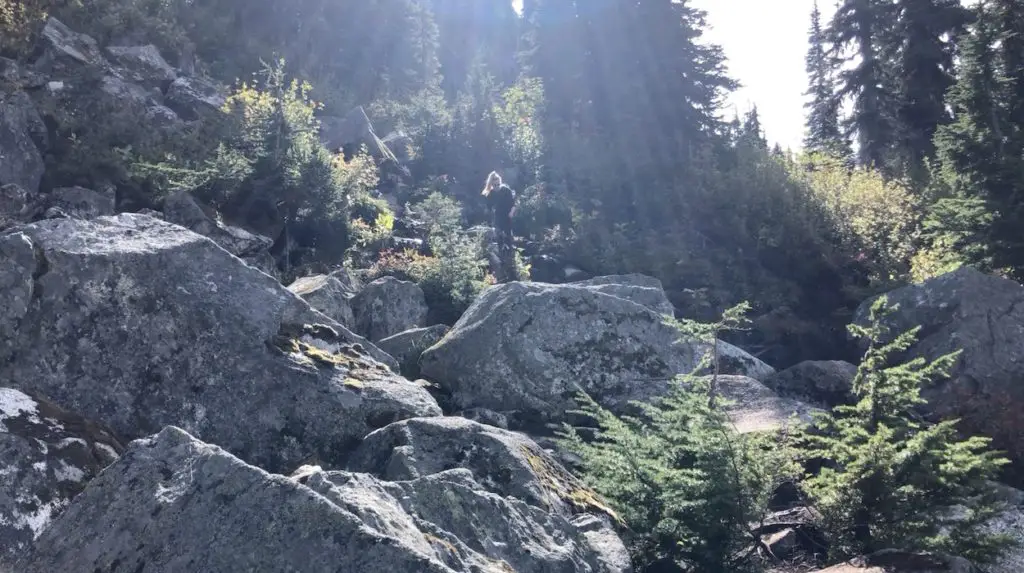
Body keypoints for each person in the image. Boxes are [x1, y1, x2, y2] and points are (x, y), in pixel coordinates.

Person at [481, 171, 516, 251]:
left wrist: (511, 213)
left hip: (507, 216)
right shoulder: (491, 193)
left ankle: (510, 254)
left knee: (508, 237)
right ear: (491, 185)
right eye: (494, 185)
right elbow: (488, 207)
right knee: (499, 237)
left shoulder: (506, 190)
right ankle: (501, 255)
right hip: (498, 217)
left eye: (498, 184)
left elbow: (513, 204)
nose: (496, 186)